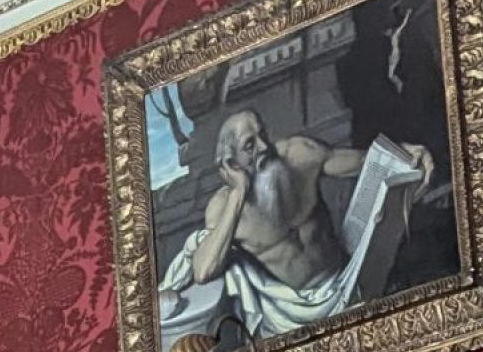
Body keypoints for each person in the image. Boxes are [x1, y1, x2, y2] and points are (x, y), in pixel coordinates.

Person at [180, 109, 436, 330]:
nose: (264, 147)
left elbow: (363, 162)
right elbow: (203, 271)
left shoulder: (299, 155)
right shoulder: (224, 207)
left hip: (348, 284)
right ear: (230, 163)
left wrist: (404, 153)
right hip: (292, 318)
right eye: (250, 145)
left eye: (263, 135)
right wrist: (238, 194)